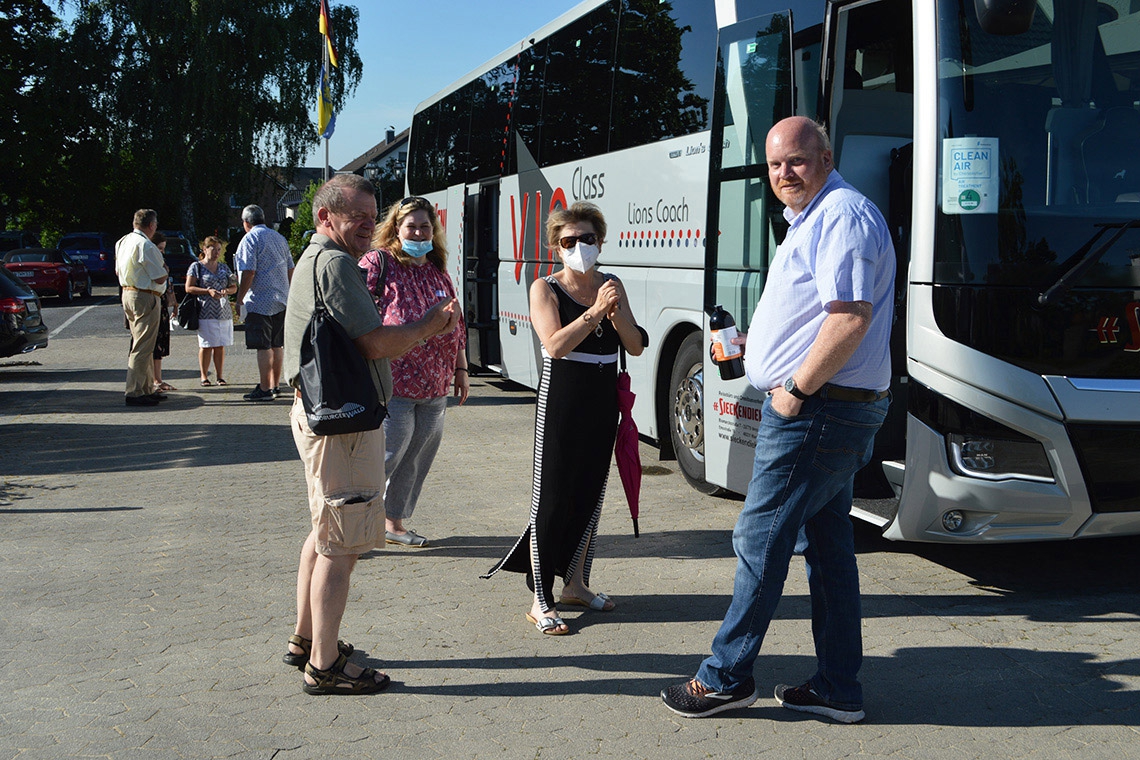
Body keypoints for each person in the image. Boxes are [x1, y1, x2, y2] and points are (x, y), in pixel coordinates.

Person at [660, 116, 895, 723]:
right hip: (830, 408)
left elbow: (849, 316)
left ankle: (726, 677)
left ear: (825, 156)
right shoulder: (815, 217)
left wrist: (793, 389)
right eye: (774, 165)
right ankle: (838, 687)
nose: (783, 174)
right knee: (828, 546)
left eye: (796, 160)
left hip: (818, 411)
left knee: (759, 538)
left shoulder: (841, 214)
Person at [282, 174, 459, 695]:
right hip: (345, 425)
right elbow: (376, 342)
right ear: (325, 218)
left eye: (370, 214)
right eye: (355, 215)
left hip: (322, 415)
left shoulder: (316, 258)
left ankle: (306, 639)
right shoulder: (335, 263)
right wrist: (430, 326)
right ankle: (325, 663)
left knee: (324, 531)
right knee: (343, 546)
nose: (366, 224)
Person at [482, 202, 644, 635]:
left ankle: (575, 583)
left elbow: (635, 344)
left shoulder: (612, 285)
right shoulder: (545, 288)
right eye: (569, 241)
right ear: (556, 248)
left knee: (591, 493)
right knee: (550, 498)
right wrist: (593, 314)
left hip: (601, 399)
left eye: (587, 239)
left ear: (601, 241)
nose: (579, 247)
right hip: (562, 399)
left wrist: (615, 310)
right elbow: (555, 344)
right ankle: (541, 598)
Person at [359, 197, 469, 548]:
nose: (419, 232)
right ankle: (356, 528)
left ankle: (393, 522)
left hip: (435, 386)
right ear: (395, 229)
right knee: (386, 457)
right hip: (394, 383)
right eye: (411, 226)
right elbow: (354, 311)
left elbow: (457, 325)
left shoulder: (438, 272)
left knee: (417, 458)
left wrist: (461, 368)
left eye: (425, 226)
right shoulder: (379, 264)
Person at [234, 204, 293, 401]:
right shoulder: (279, 238)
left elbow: (249, 271)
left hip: (260, 299)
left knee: (263, 346)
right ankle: (276, 385)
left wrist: (240, 297)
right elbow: (290, 269)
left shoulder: (250, 239)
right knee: (277, 345)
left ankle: (265, 388)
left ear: (246, 223)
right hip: (281, 298)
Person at [115, 209, 168, 407]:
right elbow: (160, 275)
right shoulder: (146, 245)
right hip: (145, 295)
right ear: (152, 226)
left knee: (143, 343)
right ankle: (135, 391)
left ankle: (146, 388)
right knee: (143, 346)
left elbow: (117, 269)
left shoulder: (122, 242)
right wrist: (165, 270)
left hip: (127, 292)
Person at [185, 236, 236, 386]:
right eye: (213, 249)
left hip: (223, 311)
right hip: (205, 311)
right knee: (206, 345)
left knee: (220, 345)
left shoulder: (224, 267)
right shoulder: (197, 266)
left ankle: (220, 376)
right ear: (205, 249)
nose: (216, 253)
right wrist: (208, 291)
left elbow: (234, 287)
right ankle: (204, 376)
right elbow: (189, 288)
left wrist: (227, 290)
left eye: (219, 250)